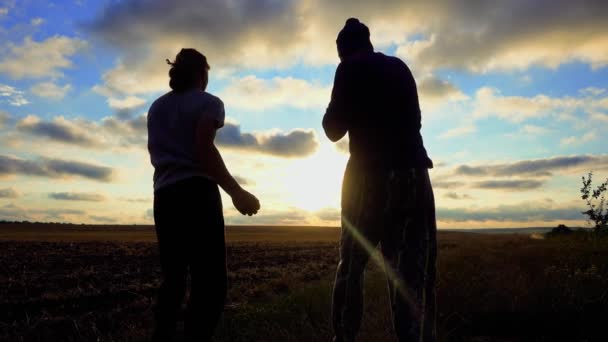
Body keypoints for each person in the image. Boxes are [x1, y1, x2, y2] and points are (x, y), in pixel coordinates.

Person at [323, 18, 437, 342]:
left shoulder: (348, 68)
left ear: (343, 50)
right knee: (412, 271)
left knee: (351, 266)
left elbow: (333, 129)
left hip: (368, 177)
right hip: (415, 175)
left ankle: (344, 337)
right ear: (369, 43)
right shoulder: (400, 67)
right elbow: (415, 120)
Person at [147, 48, 260, 342]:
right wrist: (236, 191)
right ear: (203, 73)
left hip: (164, 196)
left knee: (173, 280)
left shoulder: (156, 108)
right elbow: (204, 149)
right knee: (210, 284)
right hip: (197, 195)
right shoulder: (209, 103)